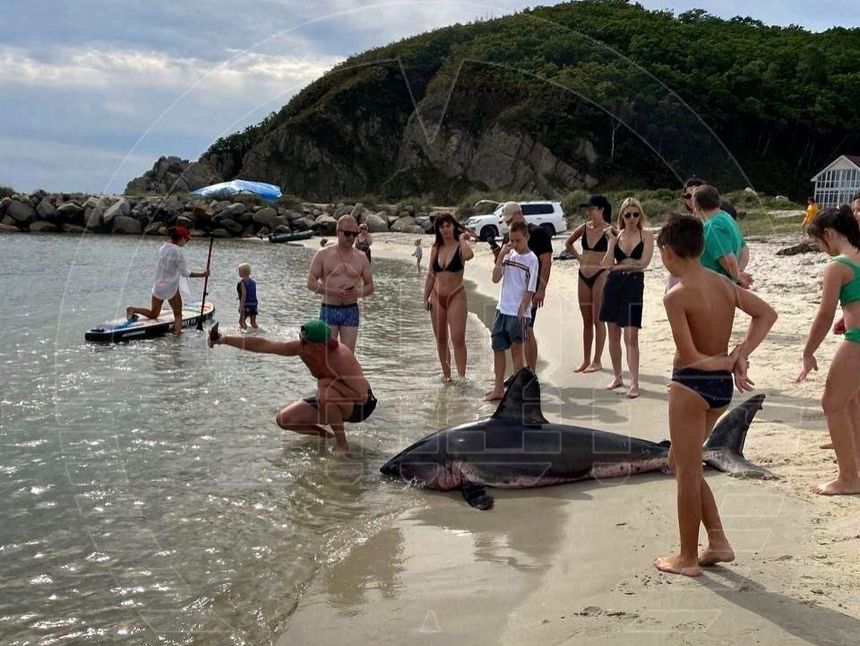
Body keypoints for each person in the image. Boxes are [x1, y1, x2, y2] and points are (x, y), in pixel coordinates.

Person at [655, 214, 777, 577]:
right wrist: (742, 354)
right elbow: (767, 315)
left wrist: (727, 360)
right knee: (680, 463)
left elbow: (690, 355)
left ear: (666, 252)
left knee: (687, 473)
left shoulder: (676, 295)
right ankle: (719, 542)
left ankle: (687, 557)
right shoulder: (724, 284)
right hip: (720, 390)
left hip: (690, 386)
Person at [208, 319, 375, 456]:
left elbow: (362, 396)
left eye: (304, 342)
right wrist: (223, 340)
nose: (300, 344)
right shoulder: (301, 349)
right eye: (299, 338)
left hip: (361, 406)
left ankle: (342, 445)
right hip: (334, 401)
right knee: (284, 419)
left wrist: (328, 385)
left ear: (320, 346)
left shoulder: (341, 357)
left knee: (325, 394)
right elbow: (264, 346)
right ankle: (329, 437)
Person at [796, 207, 860, 495]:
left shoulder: (837, 265)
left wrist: (809, 352)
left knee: (831, 403)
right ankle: (856, 462)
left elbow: (823, 315)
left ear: (829, 234)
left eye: (820, 243)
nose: (822, 250)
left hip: (857, 341)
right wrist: (845, 318)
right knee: (851, 400)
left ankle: (848, 477)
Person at [600, 197, 654, 398]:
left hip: (633, 284)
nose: (632, 218)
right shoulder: (617, 235)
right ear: (622, 216)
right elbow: (606, 265)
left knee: (631, 334)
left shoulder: (646, 235)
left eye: (635, 214)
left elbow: (643, 263)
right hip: (614, 284)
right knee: (613, 332)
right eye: (627, 214)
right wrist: (611, 242)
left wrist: (620, 265)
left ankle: (635, 382)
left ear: (640, 215)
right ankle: (617, 376)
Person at [492, 202, 553, 372]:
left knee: (528, 330)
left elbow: (546, 262)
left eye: (509, 220)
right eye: (505, 222)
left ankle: (531, 371)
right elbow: (502, 265)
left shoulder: (538, 232)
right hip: (510, 298)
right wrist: (499, 256)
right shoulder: (509, 235)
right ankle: (519, 374)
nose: (507, 224)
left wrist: (541, 289)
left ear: (519, 214)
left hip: (530, 290)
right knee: (517, 337)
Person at [485, 221, 539, 401]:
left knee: (517, 350)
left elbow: (530, 290)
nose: (514, 244)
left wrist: (522, 311)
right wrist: (501, 256)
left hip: (519, 312)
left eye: (518, 240)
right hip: (502, 309)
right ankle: (498, 389)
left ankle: (516, 392)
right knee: (497, 348)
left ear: (527, 237)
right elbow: (494, 279)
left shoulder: (532, 259)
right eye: (511, 240)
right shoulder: (508, 255)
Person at [307, 215, 374, 352]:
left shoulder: (361, 257)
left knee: (348, 355)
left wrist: (358, 292)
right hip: (329, 308)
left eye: (354, 234)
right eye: (347, 233)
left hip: (351, 309)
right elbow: (311, 283)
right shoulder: (323, 254)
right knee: (327, 354)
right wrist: (332, 292)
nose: (351, 238)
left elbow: (370, 286)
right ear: (338, 232)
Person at [125, 226, 209, 335]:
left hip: (158, 286)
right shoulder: (178, 252)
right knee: (178, 315)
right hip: (170, 288)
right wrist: (203, 274)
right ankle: (177, 339)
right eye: (186, 240)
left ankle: (132, 309)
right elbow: (185, 273)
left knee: (154, 313)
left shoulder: (162, 248)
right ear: (181, 238)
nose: (186, 242)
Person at [564, 195, 612, 372]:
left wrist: (608, 265)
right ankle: (585, 360)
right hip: (583, 273)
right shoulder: (584, 228)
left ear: (601, 209)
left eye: (591, 208)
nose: (588, 211)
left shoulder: (609, 230)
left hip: (600, 274)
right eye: (587, 208)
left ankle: (597, 360)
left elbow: (616, 250)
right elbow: (568, 243)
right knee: (586, 321)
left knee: (598, 319)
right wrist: (579, 258)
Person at [424, 214, 474, 382]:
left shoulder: (460, 246)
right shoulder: (436, 247)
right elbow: (431, 274)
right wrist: (425, 297)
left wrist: (462, 239)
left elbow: (468, 256)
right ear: (438, 229)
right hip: (437, 296)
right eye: (442, 227)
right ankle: (447, 376)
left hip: (456, 295)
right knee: (441, 338)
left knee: (458, 338)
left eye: (448, 225)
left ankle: (461, 377)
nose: (445, 229)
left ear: (453, 226)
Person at [690, 185, 752, 288]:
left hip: (716, 286)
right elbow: (744, 249)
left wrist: (738, 277)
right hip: (727, 283)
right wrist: (739, 272)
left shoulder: (713, 226)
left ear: (697, 206)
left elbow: (728, 260)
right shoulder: (727, 217)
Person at [236, 263, 258, 330]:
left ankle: (244, 336)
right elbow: (251, 293)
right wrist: (239, 297)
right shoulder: (253, 282)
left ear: (243, 272)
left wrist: (241, 306)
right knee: (253, 322)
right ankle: (257, 333)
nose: (238, 272)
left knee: (241, 322)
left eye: (239, 271)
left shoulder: (242, 283)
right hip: (254, 304)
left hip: (246, 305)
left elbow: (244, 294)